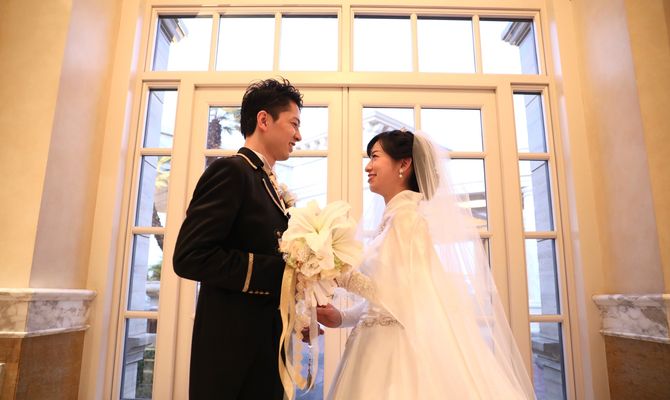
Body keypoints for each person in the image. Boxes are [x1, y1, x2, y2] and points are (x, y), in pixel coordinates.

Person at [317, 129, 536, 399]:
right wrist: (342, 317)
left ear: (404, 164)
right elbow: (392, 296)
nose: (368, 166)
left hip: (394, 350)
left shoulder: (407, 219)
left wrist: (339, 272)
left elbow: (404, 296)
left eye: (374, 157)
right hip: (375, 342)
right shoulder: (394, 219)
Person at [173, 78, 303, 399]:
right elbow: (190, 256)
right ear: (264, 120)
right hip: (232, 353)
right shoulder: (232, 171)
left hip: (265, 346)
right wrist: (280, 273)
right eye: (294, 123)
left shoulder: (265, 181)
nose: (298, 135)